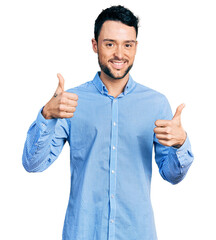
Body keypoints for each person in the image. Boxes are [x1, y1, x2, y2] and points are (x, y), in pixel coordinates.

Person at [22, 5, 194, 240]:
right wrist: (46, 116)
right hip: (83, 232)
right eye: (110, 43)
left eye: (128, 44)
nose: (120, 54)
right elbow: (33, 164)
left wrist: (180, 143)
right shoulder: (69, 102)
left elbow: (172, 175)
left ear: (136, 47)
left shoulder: (156, 104)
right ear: (95, 45)